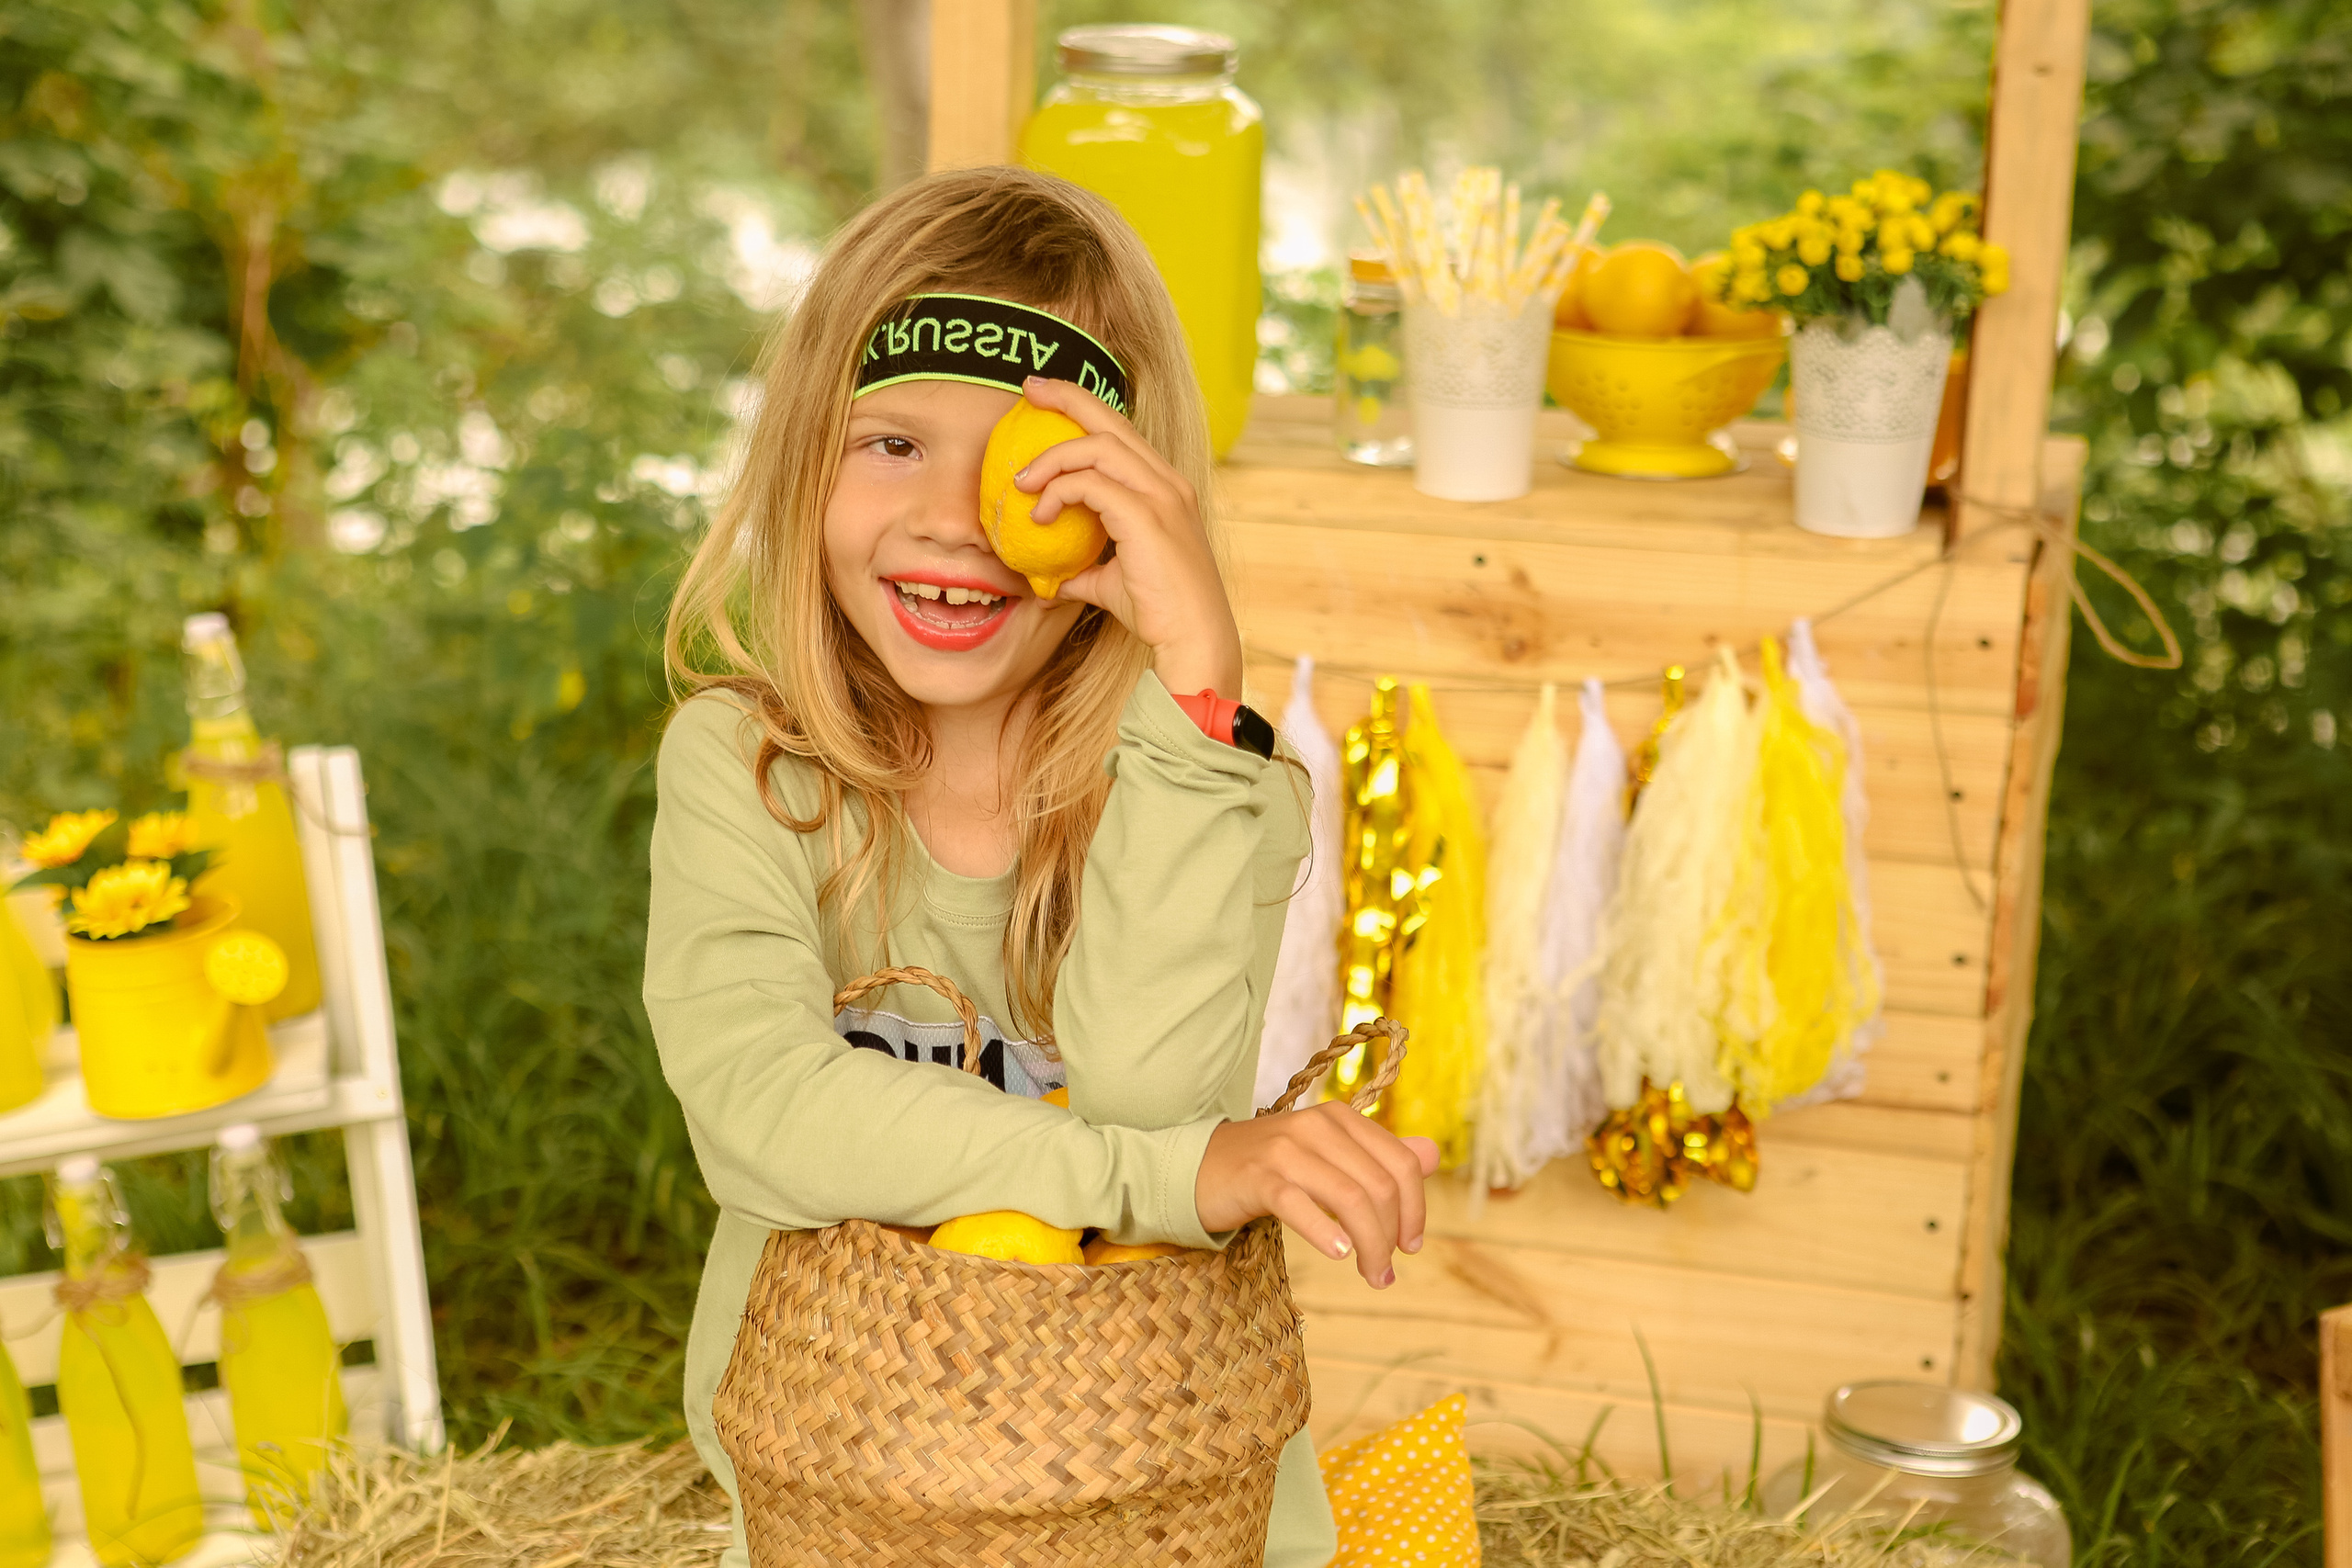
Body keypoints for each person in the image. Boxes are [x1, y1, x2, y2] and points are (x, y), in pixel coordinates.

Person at [646, 164, 1438, 1566]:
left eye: (1034, 462)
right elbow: (763, 1110)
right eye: (890, 444)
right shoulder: (745, 770)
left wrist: (1199, 680)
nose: (957, 516)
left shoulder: (1205, 785)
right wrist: (1175, 1180)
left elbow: (1149, 1090)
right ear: (794, 460)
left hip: (1163, 1510)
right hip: (847, 1508)